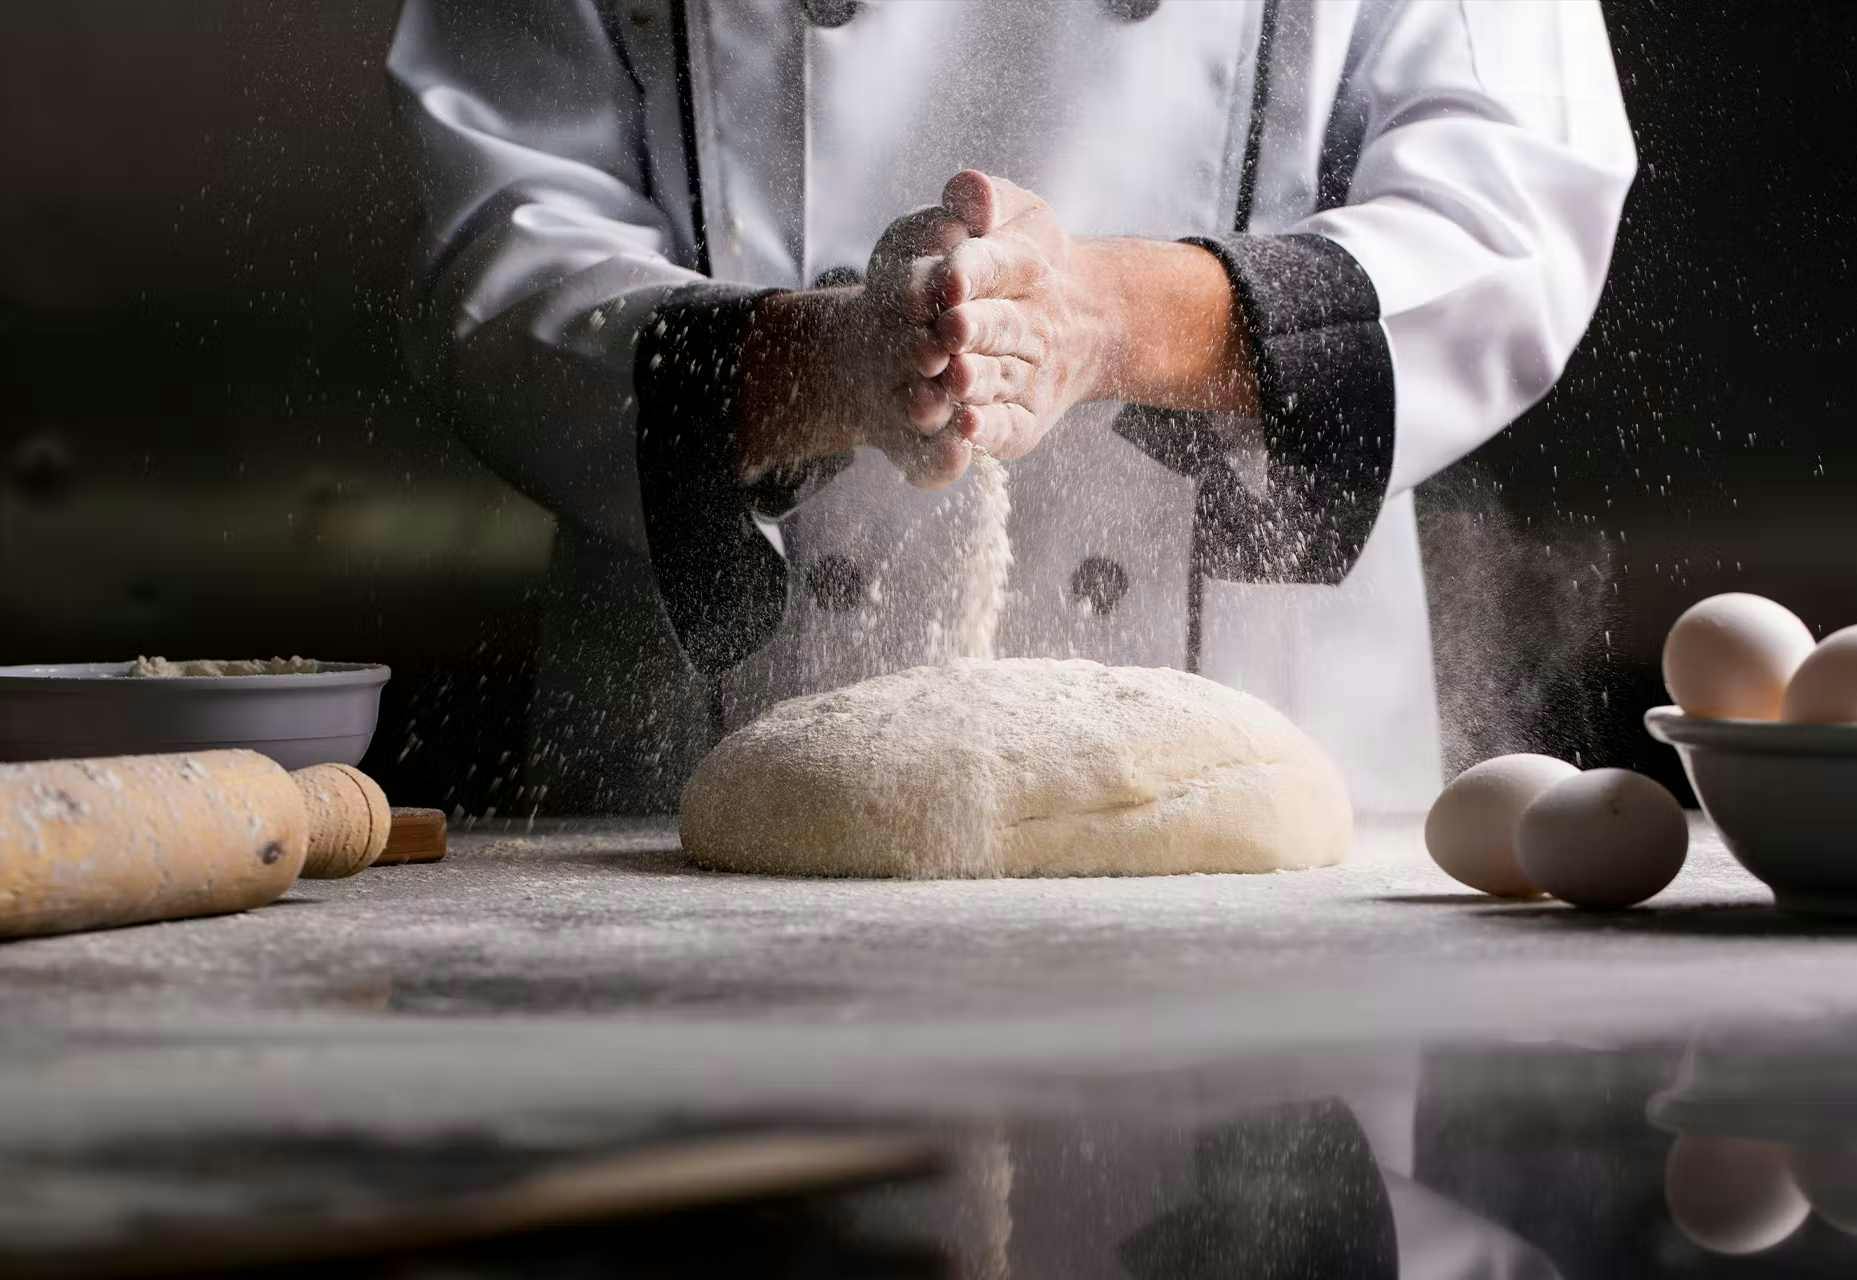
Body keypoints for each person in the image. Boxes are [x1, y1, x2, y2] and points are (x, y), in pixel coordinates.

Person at [387, 0, 1635, 815]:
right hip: (697, 791)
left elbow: (1512, 209)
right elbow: (487, 239)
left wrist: (1108, 318)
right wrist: (812, 364)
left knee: (1277, 1195)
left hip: (1268, 778)